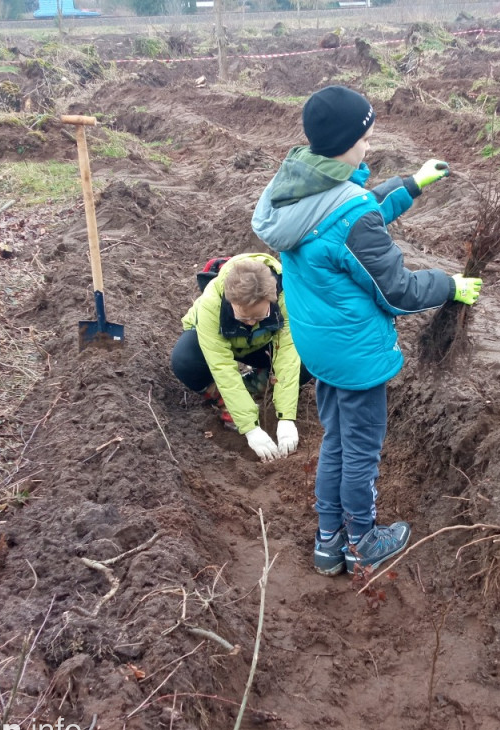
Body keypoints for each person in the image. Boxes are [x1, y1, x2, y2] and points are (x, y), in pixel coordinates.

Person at [251, 85, 483, 576]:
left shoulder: (296, 187)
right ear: (345, 143)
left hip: (320, 346)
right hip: (355, 355)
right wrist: (450, 285)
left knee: (336, 441)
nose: (370, 144)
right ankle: (362, 541)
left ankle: (328, 540)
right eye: (367, 137)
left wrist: (412, 184)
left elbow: (353, 211)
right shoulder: (346, 212)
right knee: (359, 451)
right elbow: (396, 289)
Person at [170, 253, 311, 462]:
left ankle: (257, 385)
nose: (251, 323)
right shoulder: (212, 304)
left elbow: (287, 356)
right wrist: (249, 428)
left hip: (262, 345)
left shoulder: (285, 297)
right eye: (244, 317)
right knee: (184, 360)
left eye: (259, 317)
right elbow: (223, 367)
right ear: (230, 299)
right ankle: (223, 399)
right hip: (217, 342)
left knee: (308, 356)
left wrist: (286, 418)